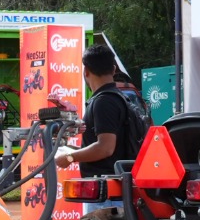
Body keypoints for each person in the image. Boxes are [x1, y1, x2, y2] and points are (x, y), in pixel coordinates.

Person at [55, 44, 141, 210]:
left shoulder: (104, 102)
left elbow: (105, 148)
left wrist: (70, 158)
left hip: (106, 196)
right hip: (116, 191)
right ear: (114, 69)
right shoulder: (120, 98)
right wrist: (71, 149)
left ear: (86, 71)